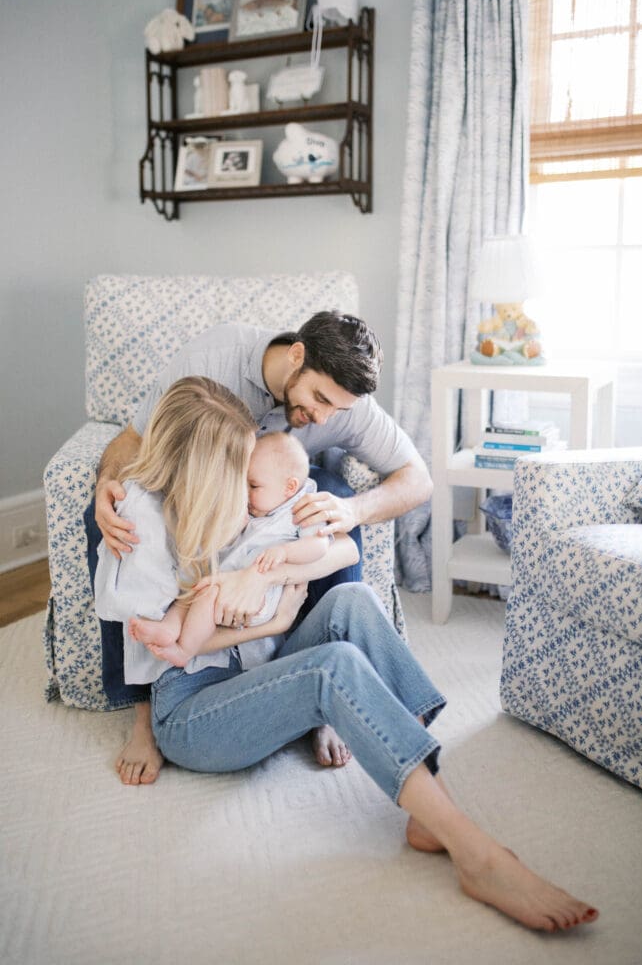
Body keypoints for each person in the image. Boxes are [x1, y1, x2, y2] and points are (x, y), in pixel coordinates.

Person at [94, 375, 599, 933]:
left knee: (352, 599)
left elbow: (335, 550)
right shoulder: (137, 520)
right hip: (190, 711)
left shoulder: (236, 500)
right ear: (199, 465)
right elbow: (158, 645)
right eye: (234, 471)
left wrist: (269, 574)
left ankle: (432, 804)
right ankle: (475, 854)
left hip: (253, 676)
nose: (243, 487)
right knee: (330, 668)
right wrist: (273, 617)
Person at [86, 310, 433, 785]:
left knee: (333, 498)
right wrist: (108, 483)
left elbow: (418, 479)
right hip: (204, 506)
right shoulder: (214, 362)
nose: (325, 418)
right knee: (111, 514)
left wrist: (346, 516)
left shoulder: (341, 406)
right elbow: (135, 439)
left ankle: (406, 749)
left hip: (272, 505)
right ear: (296, 358)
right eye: (319, 399)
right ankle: (141, 715)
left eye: (339, 411)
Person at [120, 431, 338, 669]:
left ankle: (184, 650)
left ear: (290, 487)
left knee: (208, 594)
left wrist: (286, 552)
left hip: (260, 599)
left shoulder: (302, 509)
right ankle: (168, 628)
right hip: (232, 578)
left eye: (254, 485)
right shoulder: (259, 507)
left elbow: (319, 546)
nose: (246, 493)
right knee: (195, 587)